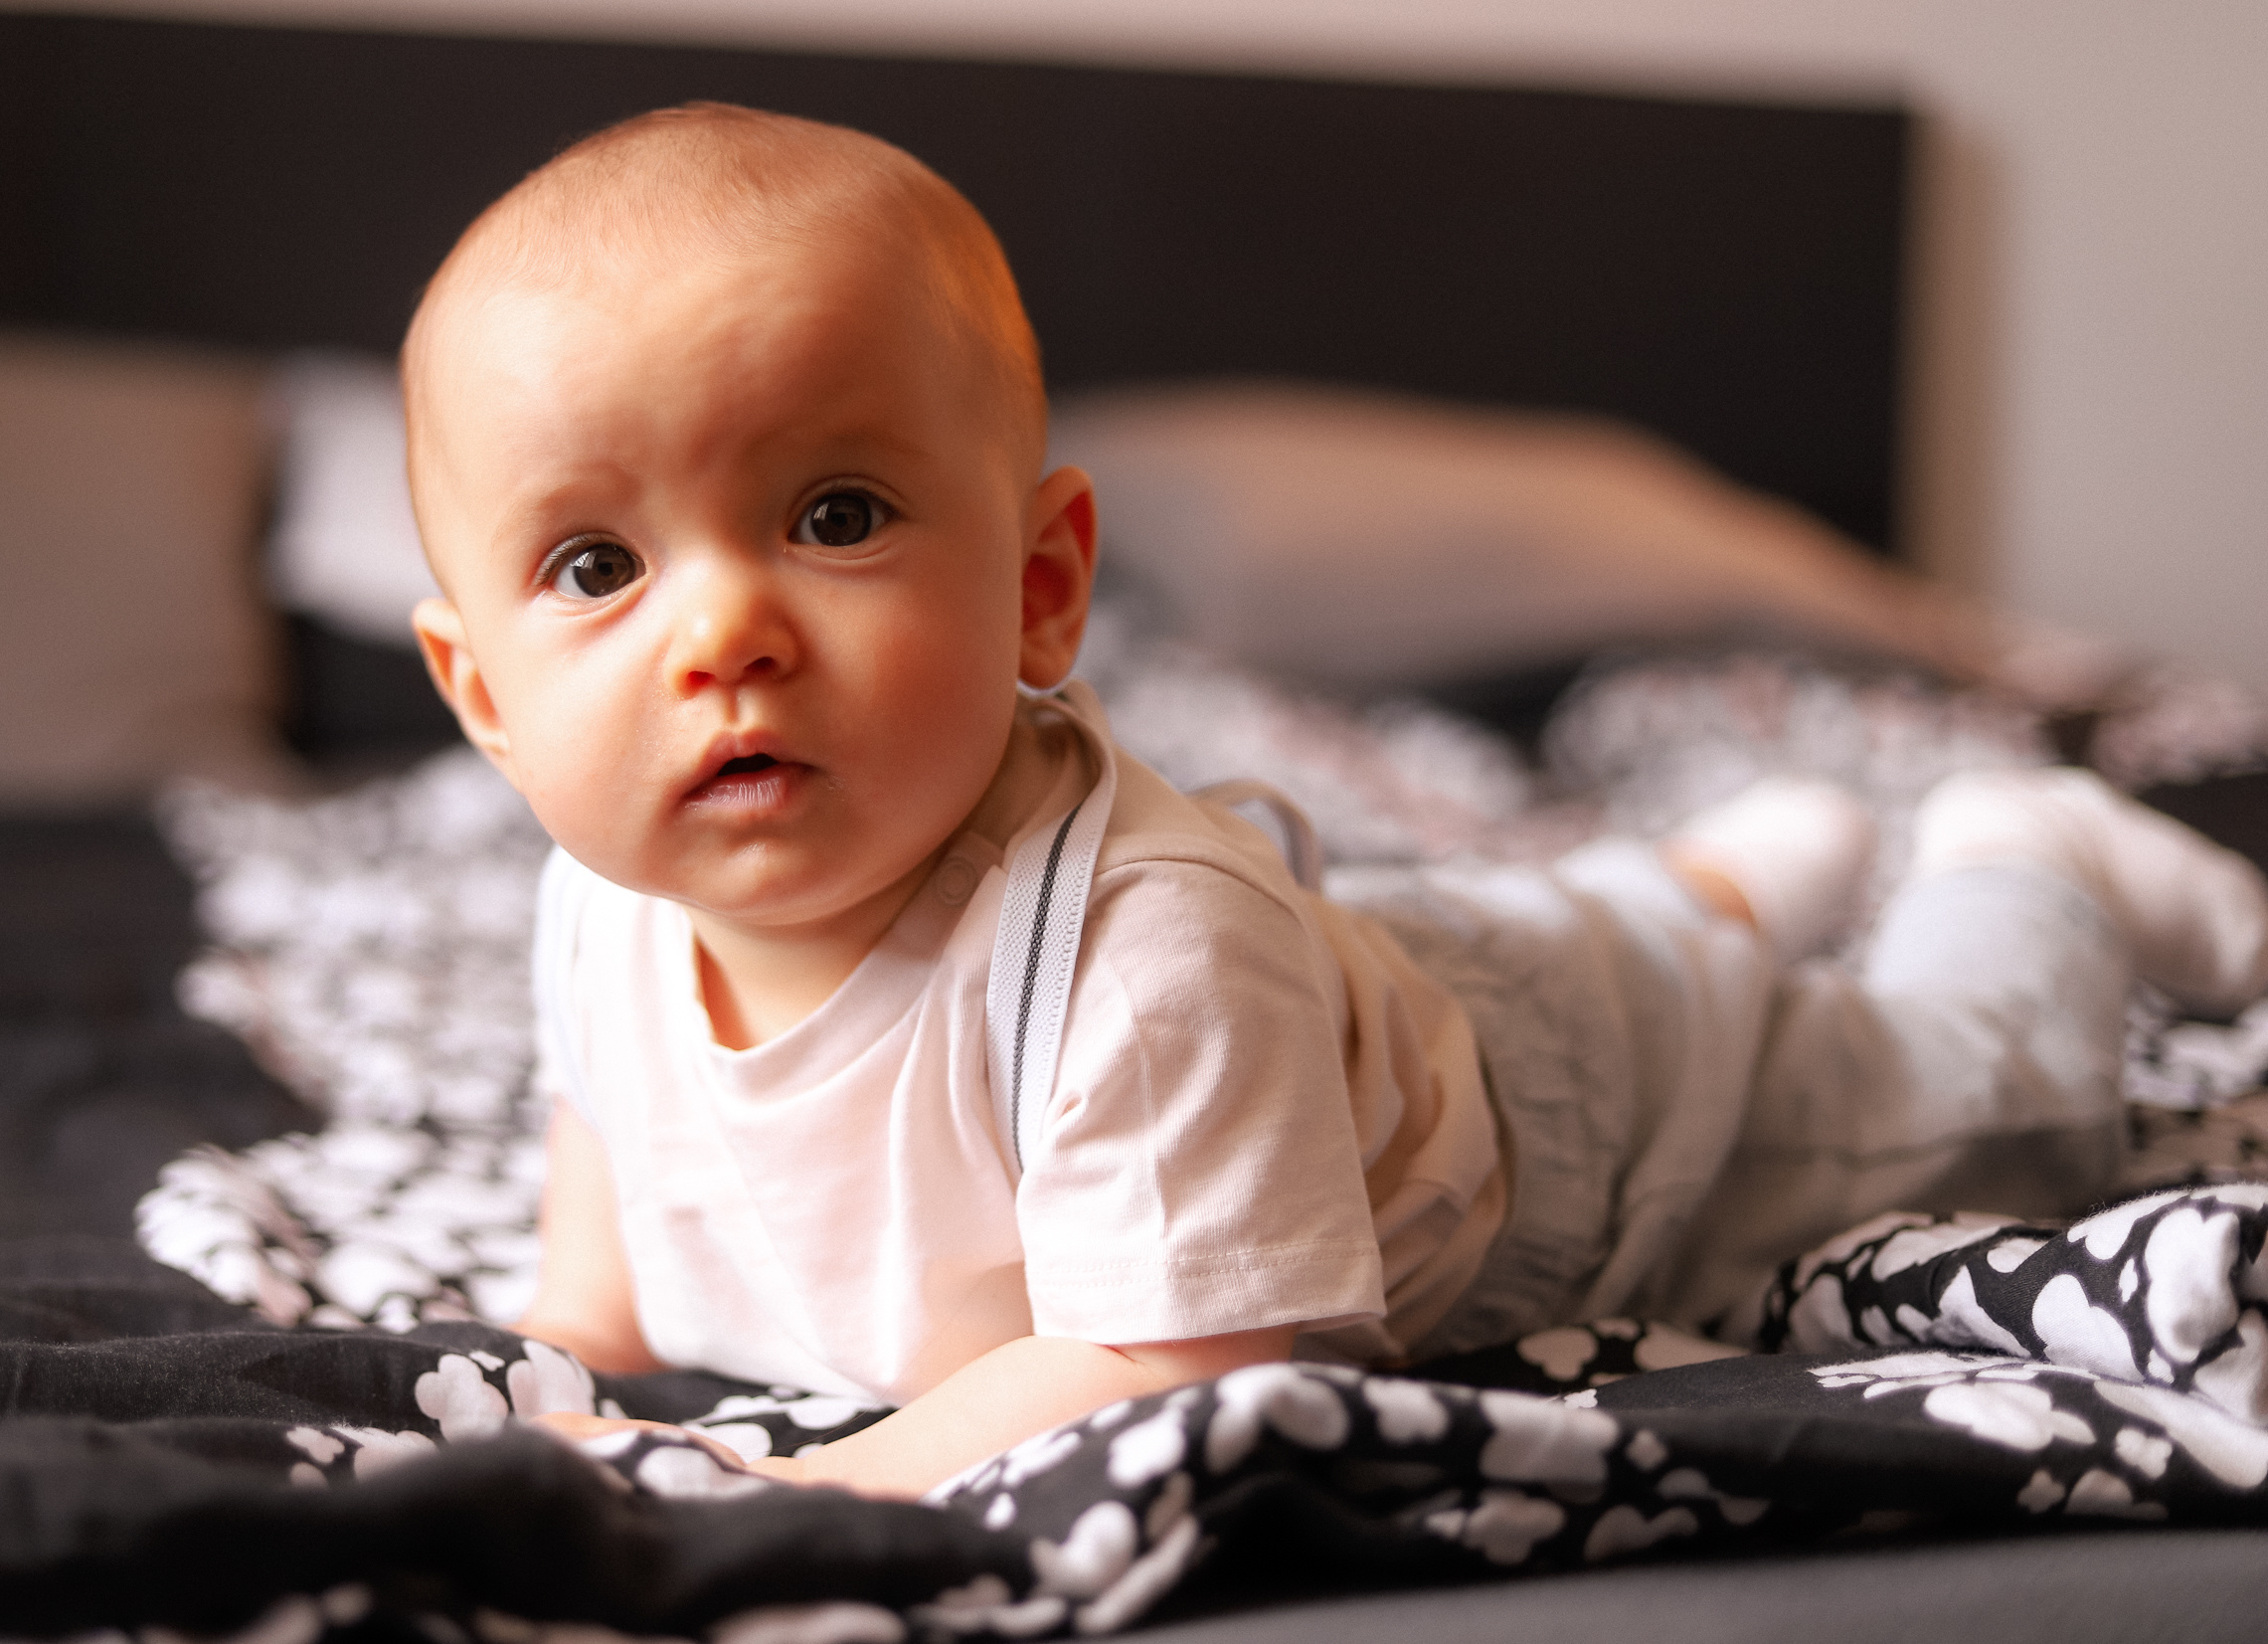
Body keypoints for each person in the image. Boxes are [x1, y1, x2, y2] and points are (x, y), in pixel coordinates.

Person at [401, 102, 2268, 1499]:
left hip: (1581, 1139)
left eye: (835, 515)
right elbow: (609, 1136)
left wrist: (806, 1483)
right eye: (594, 566)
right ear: (483, 696)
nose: (723, 630)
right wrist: (576, 1342)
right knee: (1445, 950)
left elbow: (1161, 1364)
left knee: (1981, 1108)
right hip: (1364, 995)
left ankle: (2023, 857)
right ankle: (1709, 881)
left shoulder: (1138, 954)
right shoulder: (599, 896)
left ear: (1040, 587)